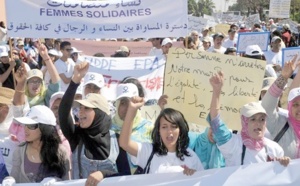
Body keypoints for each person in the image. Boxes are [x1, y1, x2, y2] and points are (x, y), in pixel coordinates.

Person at [59, 62, 130, 184]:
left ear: (99, 113)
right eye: (80, 108)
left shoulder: (116, 141)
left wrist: (104, 174)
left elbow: (126, 175)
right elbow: (63, 112)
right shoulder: (76, 136)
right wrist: (75, 80)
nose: (80, 113)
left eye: (86, 108)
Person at [208, 71, 290, 167]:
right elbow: (216, 122)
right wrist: (216, 91)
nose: (258, 123)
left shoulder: (275, 149)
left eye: (262, 119)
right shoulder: (233, 144)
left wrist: (283, 165)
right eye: (253, 119)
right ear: (244, 122)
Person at [119, 98, 204, 174]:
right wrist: (132, 110)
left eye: (174, 127)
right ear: (158, 130)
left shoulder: (191, 156)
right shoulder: (149, 151)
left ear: (180, 130)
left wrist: (193, 175)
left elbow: (202, 181)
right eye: (164, 127)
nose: (169, 131)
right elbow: (124, 143)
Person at [11, 105, 71, 183]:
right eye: (25, 125)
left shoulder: (60, 152)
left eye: (31, 126)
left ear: (44, 128)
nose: (25, 129)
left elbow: (68, 182)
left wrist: (56, 180)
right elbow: (14, 176)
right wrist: (9, 179)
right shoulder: (20, 150)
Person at [261, 55, 300, 158]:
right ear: (289, 106)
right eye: (295, 104)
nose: (299, 108)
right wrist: (283, 77)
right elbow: (266, 107)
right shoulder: (280, 124)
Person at [13, 42, 60, 107]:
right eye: (32, 81)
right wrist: (20, 83)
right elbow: (17, 107)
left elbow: (56, 82)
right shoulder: (22, 99)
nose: (36, 84)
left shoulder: (47, 97)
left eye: (38, 81)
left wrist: (46, 57)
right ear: (27, 84)